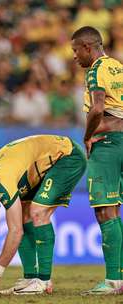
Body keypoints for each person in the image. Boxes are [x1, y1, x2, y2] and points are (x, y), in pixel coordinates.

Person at [0, 135, 86, 295]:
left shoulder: (0, 180)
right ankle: (30, 279)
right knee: (24, 217)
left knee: (38, 213)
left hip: (67, 156)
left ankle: (43, 282)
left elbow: (16, 232)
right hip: (38, 166)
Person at [71, 26, 123, 295]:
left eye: (76, 50)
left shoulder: (96, 70)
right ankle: (120, 275)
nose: (75, 57)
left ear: (87, 47)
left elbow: (98, 108)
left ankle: (114, 280)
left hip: (109, 144)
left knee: (105, 209)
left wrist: (88, 135)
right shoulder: (118, 66)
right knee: (114, 208)